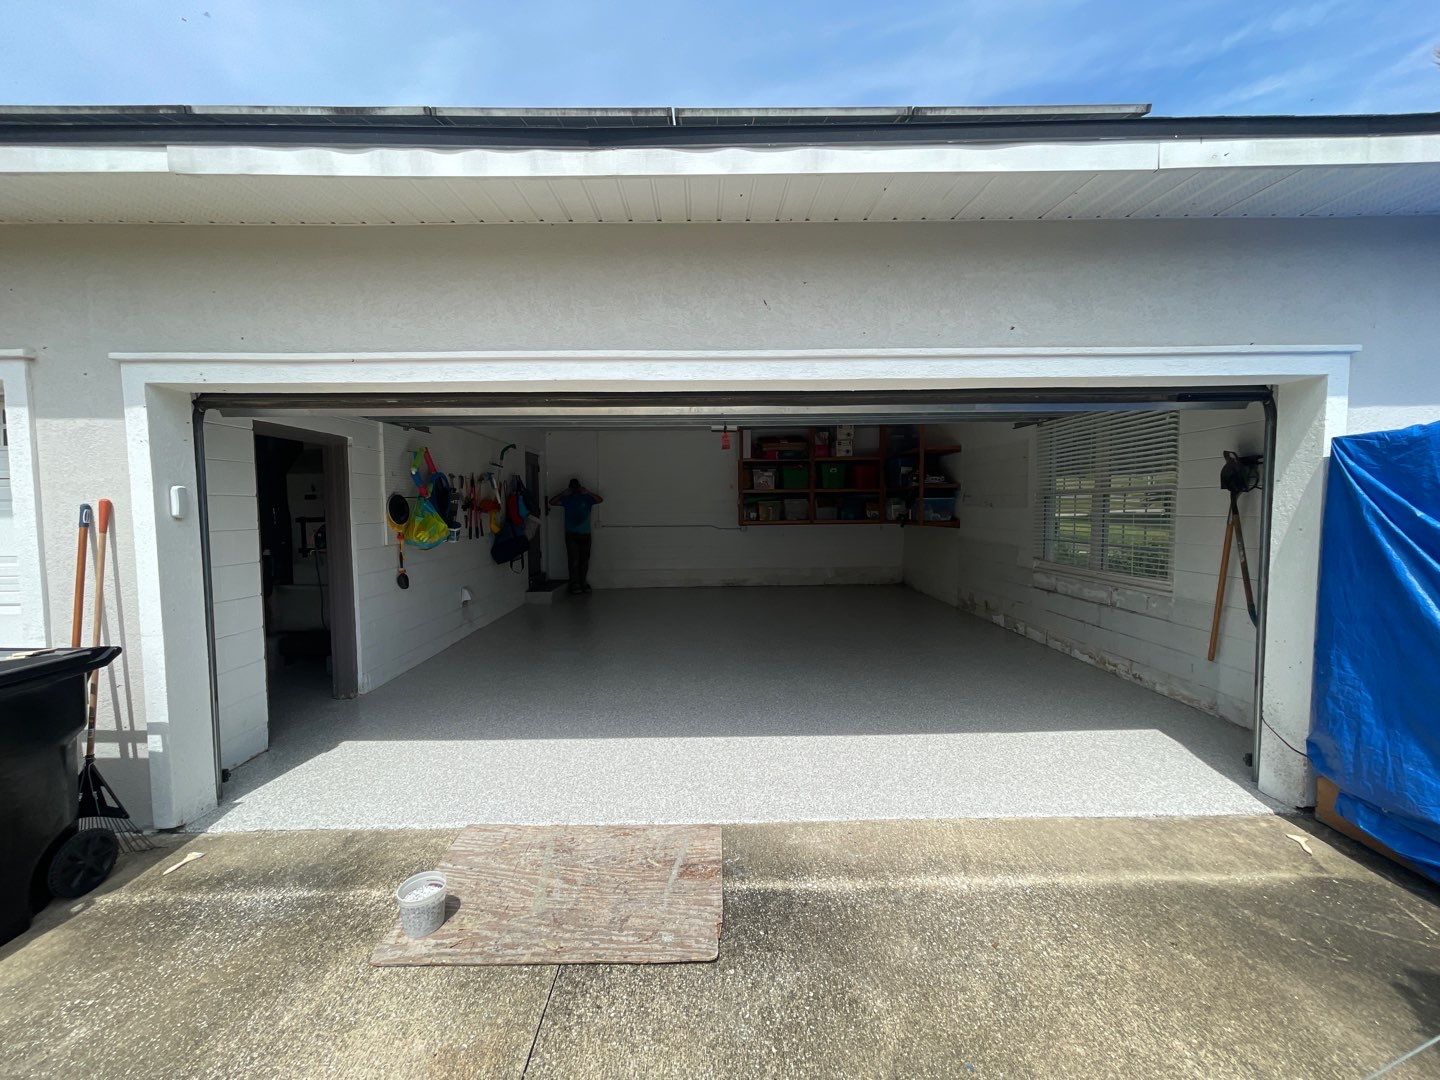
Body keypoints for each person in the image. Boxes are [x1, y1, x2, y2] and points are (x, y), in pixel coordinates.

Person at [549, 478, 603, 594]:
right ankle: (574, 583)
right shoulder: (566, 499)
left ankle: (583, 582)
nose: (575, 490)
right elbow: (552, 502)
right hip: (571, 535)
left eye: (576, 488)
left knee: (584, 560)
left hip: (585, 535)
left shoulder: (587, 498)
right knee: (573, 560)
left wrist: (588, 492)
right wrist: (562, 494)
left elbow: (600, 500)